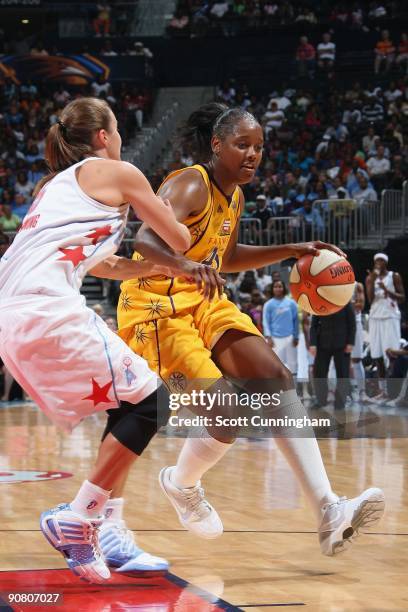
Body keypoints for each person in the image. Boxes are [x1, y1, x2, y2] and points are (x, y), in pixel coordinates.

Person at [117, 103, 384, 557]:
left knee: (275, 378)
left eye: (259, 147)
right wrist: (185, 265)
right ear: (217, 145)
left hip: (203, 302)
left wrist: (289, 248)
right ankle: (180, 485)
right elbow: (144, 240)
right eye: (243, 145)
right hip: (155, 310)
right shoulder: (189, 183)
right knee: (227, 416)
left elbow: (229, 255)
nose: (253, 155)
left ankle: (329, 510)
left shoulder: (234, 196)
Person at [0, 97, 191, 583]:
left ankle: (109, 529)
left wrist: (146, 266)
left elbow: (102, 264)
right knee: (153, 404)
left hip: (17, 316)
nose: (122, 136)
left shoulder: (56, 188)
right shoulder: (120, 172)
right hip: (47, 309)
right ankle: (79, 517)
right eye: (118, 127)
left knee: (128, 405)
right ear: (104, 136)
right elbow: (180, 239)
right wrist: (171, 214)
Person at [365, 253, 405, 403]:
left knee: (392, 354)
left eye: (381, 260)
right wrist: (372, 281)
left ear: (386, 262)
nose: (379, 263)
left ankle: (394, 392)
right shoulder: (371, 278)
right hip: (375, 317)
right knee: (377, 356)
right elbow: (370, 299)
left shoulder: (394, 276)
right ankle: (383, 391)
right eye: (376, 261)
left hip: (390, 316)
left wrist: (387, 291)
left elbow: (402, 297)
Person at [310, 303, 356, 411]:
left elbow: (352, 324)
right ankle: (320, 400)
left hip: (343, 343)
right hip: (322, 343)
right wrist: (313, 344)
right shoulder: (319, 302)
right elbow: (314, 325)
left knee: (343, 373)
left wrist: (350, 342)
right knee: (319, 373)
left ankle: (340, 402)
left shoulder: (345, 302)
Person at [263, 279, 298, 374]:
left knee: (293, 363)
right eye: (276, 287)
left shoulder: (291, 303)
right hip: (275, 339)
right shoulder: (268, 304)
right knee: (277, 364)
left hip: (290, 337)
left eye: (280, 286)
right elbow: (266, 322)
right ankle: (281, 388)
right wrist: (268, 337)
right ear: (272, 289)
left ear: (283, 288)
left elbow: (296, 321)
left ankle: (293, 386)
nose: (278, 289)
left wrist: (296, 336)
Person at [351, 281, 369, 403]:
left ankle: (362, 392)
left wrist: (341, 305)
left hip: (355, 323)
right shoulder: (331, 284)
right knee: (336, 360)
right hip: (337, 324)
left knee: (356, 359)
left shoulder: (357, 285)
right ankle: (343, 392)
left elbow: (360, 305)